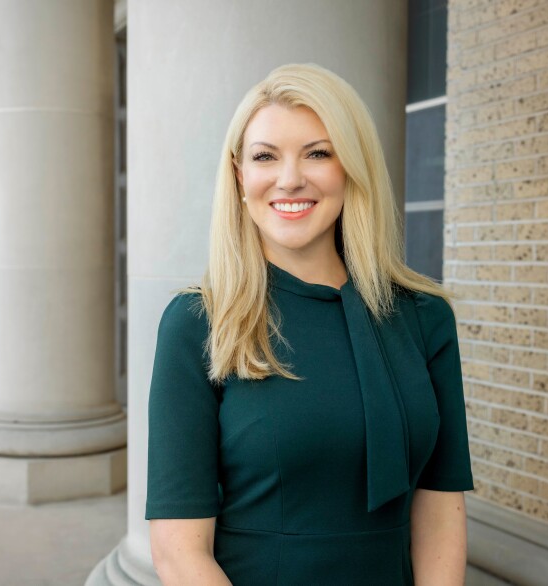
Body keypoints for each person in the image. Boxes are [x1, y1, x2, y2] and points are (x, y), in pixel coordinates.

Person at [145, 63, 474, 586]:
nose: (290, 178)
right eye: (265, 157)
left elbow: (439, 509)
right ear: (239, 176)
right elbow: (179, 551)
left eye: (318, 153)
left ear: (352, 165)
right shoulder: (197, 323)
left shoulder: (425, 316)